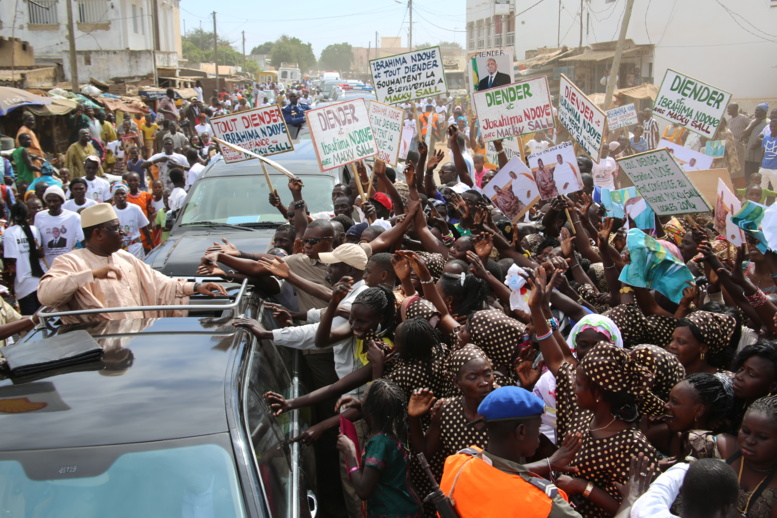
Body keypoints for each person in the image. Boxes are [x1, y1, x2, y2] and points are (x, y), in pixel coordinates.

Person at [37, 203, 226, 324]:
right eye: (115, 228)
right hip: (98, 345)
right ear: (98, 234)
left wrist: (197, 286)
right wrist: (91, 275)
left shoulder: (124, 257)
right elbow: (46, 295)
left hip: (136, 340)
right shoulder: (71, 261)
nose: (123, 233)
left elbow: (160, 284)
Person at [438, 386, 580, 517]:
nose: (539, 434)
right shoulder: (541, 500)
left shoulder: (457, 462)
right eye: (538, 427)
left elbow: (498, 472)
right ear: (521, 431)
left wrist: (549, 463)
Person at [336, 379, 423, 518]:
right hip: (407, 507)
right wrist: (361, 406)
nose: (360, 399)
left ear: (370, 409)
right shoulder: (395, 429)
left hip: (391, 512)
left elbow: (363, 490)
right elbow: (378, 413)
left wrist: (349, 452)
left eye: (363, 398)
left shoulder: (379, 444)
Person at [630, 458, 740, 518]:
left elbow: (660, 490)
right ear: (726, 509)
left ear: (681, 491)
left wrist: (691, 467)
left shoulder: (648, 513)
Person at [3, 201, 46, 314]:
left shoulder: (9, 232)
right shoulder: (34, 230)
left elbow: (12, 261)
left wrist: (10, 283)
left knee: (30, 321)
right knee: (43, 317)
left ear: (11, 215)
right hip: (39, 280)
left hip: (23, 283)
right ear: (27, 214)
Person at [34, 185, 84, 267]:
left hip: (67, 264)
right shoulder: (39, 216)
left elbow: (83, 240)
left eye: (55, 201)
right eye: (49, 201)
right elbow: (37, 241)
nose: (52, 204)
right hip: (46, 265)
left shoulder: (74, 217)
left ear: (62, 201)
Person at [112, 182, 152, 258]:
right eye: (117, 194)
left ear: (126, 195)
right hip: (119, 249)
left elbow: (145, 229)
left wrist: (152, 246)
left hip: (135, 247)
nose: (120, 196)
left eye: (122, 193)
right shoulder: (111, 211)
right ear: (113, 196)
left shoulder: (135, 208)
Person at [759, 118, 777, 191]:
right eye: (771, 126)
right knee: (762, 189)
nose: (772, 128)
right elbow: (763, 151)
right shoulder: (766, 137)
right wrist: (760, 165)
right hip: (764, 167)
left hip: (775, 169)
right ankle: (762, 203)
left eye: (775, 126)